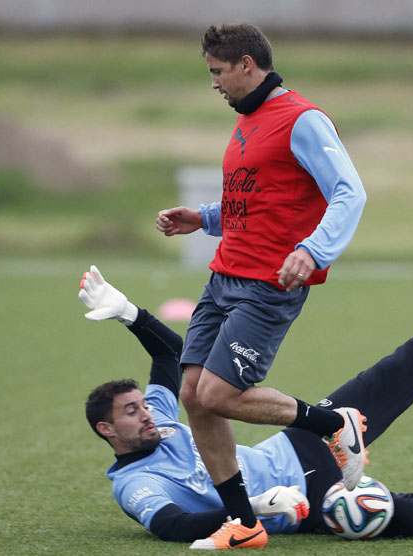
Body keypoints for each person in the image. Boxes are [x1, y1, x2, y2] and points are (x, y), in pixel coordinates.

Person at [80, 241, 413, 549]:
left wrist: (128, 312)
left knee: (395, 372)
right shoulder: (134, 484)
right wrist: (258, 507)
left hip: (296, 445)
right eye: (131, 412)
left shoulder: (159, 420)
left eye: (142, 405)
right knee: (410, 516)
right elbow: (174, 527)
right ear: (107, 430)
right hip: (306, 501)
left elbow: (172, 357)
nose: (147, 416)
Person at [153, 22, 368, 547]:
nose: (214, 84)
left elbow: (350, 193)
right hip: (224, 274)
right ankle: (244, 524)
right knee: (194, 396)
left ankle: (334, 425)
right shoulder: (248, 119)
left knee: (221, 393)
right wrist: (202, 219)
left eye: (218, 72)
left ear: (247, 65)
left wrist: (313, 250)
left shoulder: (303, 119)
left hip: (269, 283)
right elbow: (258, 201)